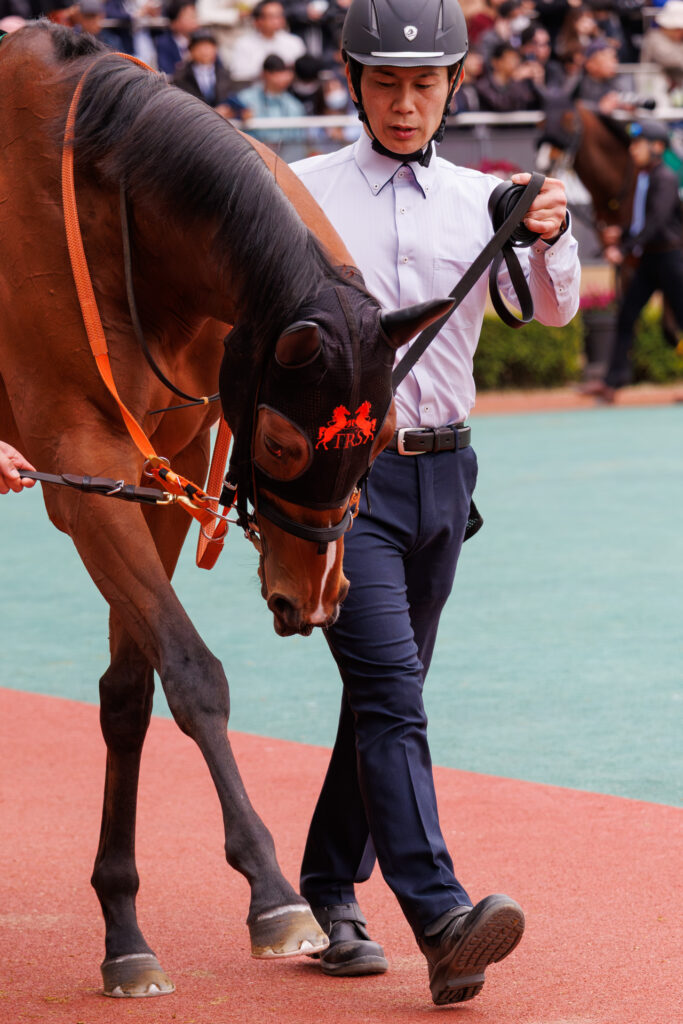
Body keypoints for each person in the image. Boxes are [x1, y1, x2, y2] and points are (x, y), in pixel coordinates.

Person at [289, 0, 580, 1007]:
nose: (404, 102)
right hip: (344, 480)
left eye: (423, 84)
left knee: (383, 694)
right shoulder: (299, 192)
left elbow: (552, 309)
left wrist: (548, 232)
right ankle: (442, 918)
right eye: (385, 82)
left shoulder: (482, 197)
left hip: (447, 479)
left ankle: (329, 891)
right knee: (391, 691)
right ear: (351, 82)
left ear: (453, 86)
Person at [582, 119, 683, 401]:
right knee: (626, 315)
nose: (633, 149)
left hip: (672, 259)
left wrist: (624, 248)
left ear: (658, 147)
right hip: (650, 258)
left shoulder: (665, 177)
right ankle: (612, 382)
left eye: (639, 144)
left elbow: (657, 221)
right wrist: (623, 233)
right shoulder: (644, 177)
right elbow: (643, 221)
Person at [228, 1, 306, 86]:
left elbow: (303, 70)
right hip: (255, 89)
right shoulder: (244, 43)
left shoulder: (294, 42)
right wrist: (270, 74)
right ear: (257, 21)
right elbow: (238, 74)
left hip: (289, 89)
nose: (278, 20)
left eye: (280, 15)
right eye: (272, 16)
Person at [172, 26, 238, 113]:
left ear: (215, 49)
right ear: (191, 50)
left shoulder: (224, 74)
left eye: (208, 47)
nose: (204, 51)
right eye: (199, 47)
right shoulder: (181, 76)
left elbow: (231, 101)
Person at [155, 0, 198, 76]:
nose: (194, 20)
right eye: (190, 16)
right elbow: (166, 72)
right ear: (174, 22)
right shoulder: (164, 44)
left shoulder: (202, 41)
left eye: (195, 16)